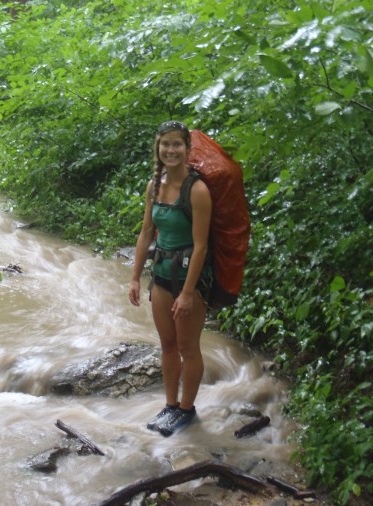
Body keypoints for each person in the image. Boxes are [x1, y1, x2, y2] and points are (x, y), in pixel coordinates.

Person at [128, 120, 212, 437]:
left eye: (177, 144)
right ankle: (170, 406)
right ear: (158, 149)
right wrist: (135, 277)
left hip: (190, 280)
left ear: (188, 150)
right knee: (167, 345)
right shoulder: (155, 186)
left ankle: (187, 410)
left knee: (188, 348)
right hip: (161, 275)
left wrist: (189, 292)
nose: (171, 150)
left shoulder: (198, 191)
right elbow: (147, 232)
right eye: (165, 145)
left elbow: (201, 245)